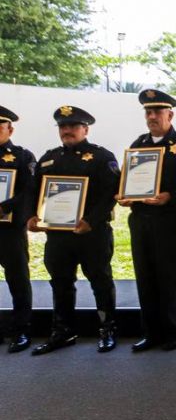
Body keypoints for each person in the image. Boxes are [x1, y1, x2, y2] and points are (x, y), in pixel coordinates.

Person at [27, 106, 119, 355]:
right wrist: (31, 217)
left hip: (92, 234)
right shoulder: (48, 158)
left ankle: (107, 328)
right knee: (60, 282)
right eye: (62, 127)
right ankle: (63, 331)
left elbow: (110, 194)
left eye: (73, 126)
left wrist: (91, 220)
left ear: (85, 129)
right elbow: (33, 193)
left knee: (100, 281)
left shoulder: (101, 157)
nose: (67, 131)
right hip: (57, 236)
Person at [122, 89, 176, 353]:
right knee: (145, 275)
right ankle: (151, 332)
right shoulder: (139, 145)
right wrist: (125, 196)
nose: (152, 116)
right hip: (140, 220)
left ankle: (173, 330)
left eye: (157, 112)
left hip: (170, 219)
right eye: (148, 112)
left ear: (170, 114)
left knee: (171, 276)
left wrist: (169, 196)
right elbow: (126, 180)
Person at [0, 106, 35, 353]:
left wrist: (4, 207)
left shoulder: (22, 156)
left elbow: (30, 191)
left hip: (9, 230)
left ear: (10, 129)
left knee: (18, 280)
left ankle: (21, 330)